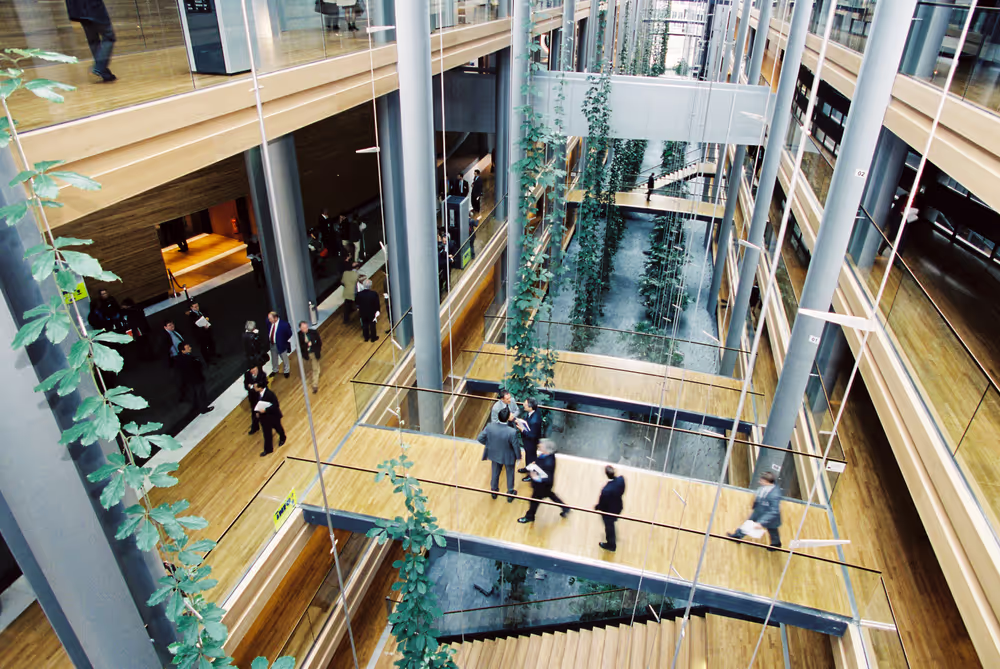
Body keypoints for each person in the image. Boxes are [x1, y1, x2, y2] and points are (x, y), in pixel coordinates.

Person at [518, 439, 570, 524]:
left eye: (541, 445)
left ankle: (530, 516)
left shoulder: (548, 463)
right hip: (545, 486)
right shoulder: (546, 455)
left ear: (546, 449)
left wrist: (535, 477)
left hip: (542, 486)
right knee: (551, 495)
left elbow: (547, 478)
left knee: (534, 501)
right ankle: (565, 508)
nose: (539, 446)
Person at [727, 472, 783, 550]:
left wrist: (761, 522)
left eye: (762, 480)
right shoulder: (765, 487)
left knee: (772, 530)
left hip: (769, 517)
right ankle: (738, 535)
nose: (759, 481)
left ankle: (776, 544)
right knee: (748, 523)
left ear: (767, 481)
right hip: (759, 511)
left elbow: (774, 511)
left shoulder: (774, 495)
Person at [65, 0, 116, 82]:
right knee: (109, 37)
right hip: (93, 6)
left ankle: (104, 73)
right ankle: (99, 68)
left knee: (93, 40)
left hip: (78, 11)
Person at [477, 407, 520, 502]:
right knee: (510, 473)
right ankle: (510, 493)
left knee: (495, 472)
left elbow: (480, 438)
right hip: (508, 455)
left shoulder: (490, 426)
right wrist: (518, 457)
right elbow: (516, 446)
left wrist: (490, 445)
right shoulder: (511, 432)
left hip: (494, 453)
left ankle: (494, 491)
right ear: (508, 417)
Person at [176, 343, 213, 415]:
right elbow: (197, 366)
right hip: (196, 378)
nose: (190, 348)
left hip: (188, 380)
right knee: (201, 394)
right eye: (187, 347)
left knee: (194, 393)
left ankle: (196, 407)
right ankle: (203, 408)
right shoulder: (190, 359)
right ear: (183, 350)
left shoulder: (178, 358)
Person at [595, 465, 626, 552]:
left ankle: (611, 545)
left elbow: (602, 504)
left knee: (609, 527)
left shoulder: (606, 490)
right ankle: (611, 542)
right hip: (618, 507)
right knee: (611, 524)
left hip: (609, 512)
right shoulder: (621, 480)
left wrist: (597, 507)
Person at [253, 381, 286, 456]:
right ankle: (268, 449)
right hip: (264, 418)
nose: (254, 388)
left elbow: (276, 405)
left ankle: (282, 437)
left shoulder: (270, 394)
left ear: (260, 388)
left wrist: (266, 410)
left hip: (273, 416)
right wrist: (257, 412)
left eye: (255, 386)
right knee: (267, 434)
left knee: (278, 428)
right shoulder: (257, 394)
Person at [515, 398, 542, 482]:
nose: (523, 405)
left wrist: (522, 430)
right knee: (528, 456)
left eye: (525, 404)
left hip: (531, 443)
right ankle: (527, 468)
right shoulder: (533, 412)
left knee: (531, 458)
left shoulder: (535, 421)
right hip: (528, 442)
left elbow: (532, 435)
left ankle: (532, 474)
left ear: (531, 407)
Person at [298, 321, 323, 393]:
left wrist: (314, 346)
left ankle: (315, 385)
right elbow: (300, 346)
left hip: (314, 353)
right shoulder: (299, 336)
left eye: (306, 327)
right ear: (300, 328)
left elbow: (319, 342)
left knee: (315, 368)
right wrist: (307, 345)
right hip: (306, 354)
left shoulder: (313, 332)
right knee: (310, 367)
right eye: (304, 328)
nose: (306, 329)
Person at [267, 311, 293, 378]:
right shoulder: (269, 323)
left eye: (270, 319)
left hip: (281, 344)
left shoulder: (284, 325)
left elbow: (289, 334)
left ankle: (286, 371)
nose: (269, 320)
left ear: (275, 318)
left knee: (284, 358)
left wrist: (283, 340)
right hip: (272, 344)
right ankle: (275, 370)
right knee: (274, 358)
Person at [244, 364, 268, 435]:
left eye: (253, 369)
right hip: (253, 398)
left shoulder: (262, 375)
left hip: (261, 398)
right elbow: (246, 385)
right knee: (254, 413)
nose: (252, 371)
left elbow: (262, 387)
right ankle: (255, 427)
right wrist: (252, 387)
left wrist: (252, 387)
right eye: (251, 370)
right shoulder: (247, 375)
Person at [340, 251, 360, 324]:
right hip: (351, 289)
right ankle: (346, 319)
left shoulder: (345, 271)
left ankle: (350, 311)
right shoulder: (353, 273)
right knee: (348, 303)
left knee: (348, 302)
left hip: (347, 288)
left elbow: (342, 281)